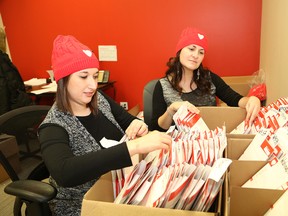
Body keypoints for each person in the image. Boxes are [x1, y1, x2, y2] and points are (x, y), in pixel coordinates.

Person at [38, 35, 172, 216]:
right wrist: (133, 147)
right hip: (83, 205)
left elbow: (127, 119)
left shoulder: (98, 99)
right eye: (83, 76)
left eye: (95, 76)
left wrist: (137, 124)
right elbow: (64, 172)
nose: (92, 85)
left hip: (121, 189)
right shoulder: (53, 125)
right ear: (63, 80)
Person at [150, 27, 261, 131]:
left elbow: (235, 99)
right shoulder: (162, 86)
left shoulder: (209, 78)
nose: (196, 55)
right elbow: (156, 127)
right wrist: (171, 110)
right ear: (179, 51)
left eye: (201, 52)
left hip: (208, 142)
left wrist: (252, 100)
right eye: (191, 49)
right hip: (177, 145)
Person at [0, 27, 32, 115]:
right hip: (19, 111)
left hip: (9, 117)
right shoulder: (4, 60)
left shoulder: (3, 63)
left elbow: (4, 100)